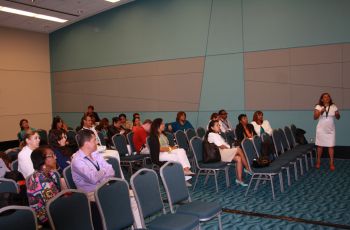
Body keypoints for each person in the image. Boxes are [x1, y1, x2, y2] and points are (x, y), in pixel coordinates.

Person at [71, 129, 143, 229]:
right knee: (121, 199)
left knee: (133, 197)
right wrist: (104, 171)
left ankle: (138, 227)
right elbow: (93, 178)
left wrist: (101, 172)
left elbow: (111, 171)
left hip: (106, 186)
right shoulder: (77, 160)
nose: (97, 142)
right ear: (87, 143)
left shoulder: (95, 154)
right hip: (91, 193)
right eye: (94, 140)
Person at [206, 120, 251, 187]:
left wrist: (230, 149)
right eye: (217, 125)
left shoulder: (217, 134)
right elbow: (221, 146)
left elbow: (224, 145)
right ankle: (247, 168)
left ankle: (239, 179)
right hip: (220, 154)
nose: (219, 126)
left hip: (224, 152)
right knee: (238, 149)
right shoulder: (211, 134)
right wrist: (231, 150)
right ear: (212, 128)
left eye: (219, 125)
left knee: (238, 158)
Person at [26, 146, 61, 227]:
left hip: (55, 210)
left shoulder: (49, 173)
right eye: (52, 155)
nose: (55, 157)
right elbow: (54, 206)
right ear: (42, 160)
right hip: (47, 219)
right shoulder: (41, 181)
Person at [314, 93, 340, 171]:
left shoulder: (334, 106)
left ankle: (331, 163)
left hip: (331, 130)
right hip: (321, 129)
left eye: (328, 96)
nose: (327, 98)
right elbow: (315, 117)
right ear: (322, 99)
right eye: (325, 97)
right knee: (320, 146)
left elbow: (338, 117)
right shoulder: (318, 106)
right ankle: (318, 161)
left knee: (331, 146)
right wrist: (321, 112)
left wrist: (337, 114)